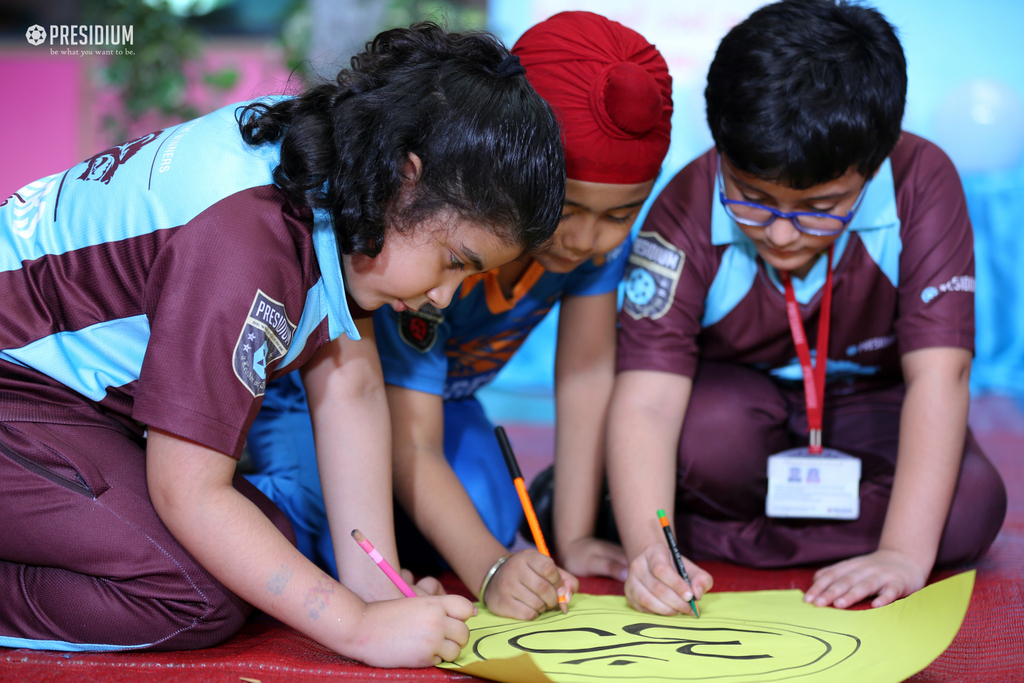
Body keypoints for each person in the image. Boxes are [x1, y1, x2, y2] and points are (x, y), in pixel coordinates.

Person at [0, 23, 565, 668]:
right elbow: (188, 491)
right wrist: (356, 627)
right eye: (455, 262)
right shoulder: (246, 244)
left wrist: (375, 591)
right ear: (407, 182)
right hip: (20, 384)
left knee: (268, 542)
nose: (445, 298)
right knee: (195, 593)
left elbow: (350, 386)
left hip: (67, 401)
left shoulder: (333, 178)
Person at [246, 11, 673, 620]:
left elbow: (584, 377)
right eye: (566, 210)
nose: (583, 239)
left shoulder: (590, 248)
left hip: (440, 406)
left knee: (495, 514)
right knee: (304, 523)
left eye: (619, 215)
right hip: (324, 401)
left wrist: (572, 538)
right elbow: (403, 434)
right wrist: (491, 569)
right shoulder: (438, 247)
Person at [607, 0, 1007, 617]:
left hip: (870, 408)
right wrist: (648, 554)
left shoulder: (922, 181)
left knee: (971, 505)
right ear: (720, 150)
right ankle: (679, 531)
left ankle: (723, 536)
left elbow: (941, 373)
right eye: (752, 197)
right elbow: (649, 398)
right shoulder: (685, 207)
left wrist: (902, 554)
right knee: (703, 437)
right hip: (737, 411)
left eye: (822, 205)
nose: (784, 234)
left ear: (875, 165)